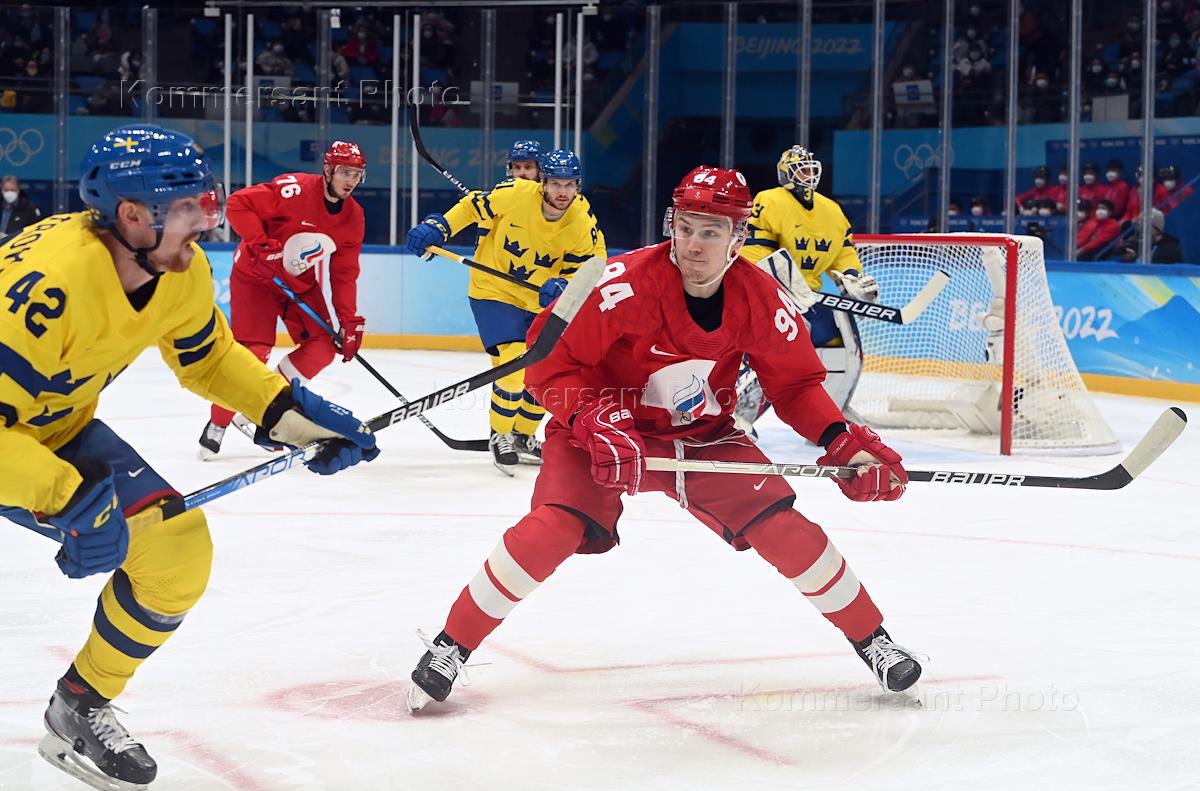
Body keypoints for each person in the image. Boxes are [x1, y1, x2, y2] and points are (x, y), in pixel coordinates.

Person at [404, 165, 921, 713]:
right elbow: (547, 366)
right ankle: (450, 647)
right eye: (685, 227)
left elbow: (794, 385)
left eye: (710, 232)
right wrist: (590, 417)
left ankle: (875, 641)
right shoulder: (621, 285)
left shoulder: (762, 299)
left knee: (783, 528)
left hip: (702, 436)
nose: (693, 244)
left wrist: (842, 442)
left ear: (738, 237)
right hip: (602, 430)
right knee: (553, 527)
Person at [0, 125, 378, 790]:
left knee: (176, 553)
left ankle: (78, 703)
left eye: (203, 201)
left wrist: (288, 414)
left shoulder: (178, 268)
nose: (205, 219)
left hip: (52, 426)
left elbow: (208, 358)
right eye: (184, 208)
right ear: (131, 215)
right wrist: (66, 496)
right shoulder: (47, 289)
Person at [405, 148, 606, 475]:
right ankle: (500, 434)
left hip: (537, 303)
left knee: (546, 371)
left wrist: (564, 286)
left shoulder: (582, 222)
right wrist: (440, 227)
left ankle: (523, 435)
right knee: (513, 365)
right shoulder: (515, 194)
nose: (562, 191)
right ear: (543, 182)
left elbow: (588, 267)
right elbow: (472, 207)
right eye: (556, 183)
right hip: (493, 292)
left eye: (569, 185)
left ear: (578, 186)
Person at [198, 140, 367, 458]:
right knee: (252, 353)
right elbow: (238, 203)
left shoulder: (354, 217)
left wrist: (348, 321)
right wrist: (260, 244)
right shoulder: (296, 189)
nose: (350, 181)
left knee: (322, 347)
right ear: (328, 170)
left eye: (356, 174)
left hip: (298, 283)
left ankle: (264, 409)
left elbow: (344, 274)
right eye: (345, 172)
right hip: (256, 278)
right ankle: (218, 423)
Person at [737, 145, 874, 424]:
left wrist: (852, 277)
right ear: (786, 173)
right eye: (802, 170)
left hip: (811, 298)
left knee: (842, 345)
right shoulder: (769, 200)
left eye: (812, 170)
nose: (809, 176)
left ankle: (832, 413)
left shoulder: (832, 210)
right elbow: (755, 251)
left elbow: (843, 252)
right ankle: (741, 415)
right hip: (773, 298)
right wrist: (783, 284)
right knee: (775, 356)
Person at [1115, 208, 1185, 264]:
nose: (1140, 230)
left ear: (1156, 229)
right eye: (1139, 226)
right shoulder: (1139, 245)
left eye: (1144, 226)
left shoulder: (1170, 249)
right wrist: (1129, 259)